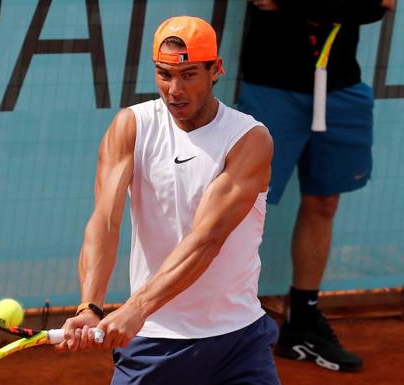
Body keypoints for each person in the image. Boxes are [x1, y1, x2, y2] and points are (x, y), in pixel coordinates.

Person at [58, 16, 279, 385]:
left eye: (189, 75)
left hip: (238, 341)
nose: (174, 90)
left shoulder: (248, 139)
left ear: (216, 70)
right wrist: (90, 305)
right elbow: (105, 222)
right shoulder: (131, 126)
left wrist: (137, 307)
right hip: (156, 342)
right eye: (164, 75)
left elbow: (206, 240)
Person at [238, 0, 395, 372]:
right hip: (272, 84)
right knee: (241, 205)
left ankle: (302, 324)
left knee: (324, 202)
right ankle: (217, 321)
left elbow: (382, 4)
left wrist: (300, 8)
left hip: (342, 86)